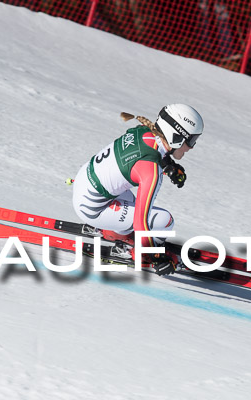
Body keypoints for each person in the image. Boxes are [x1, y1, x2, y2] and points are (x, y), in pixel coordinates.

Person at [71, 104, 204, 276]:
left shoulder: (143, 131)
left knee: (132, 203)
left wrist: (169, 165)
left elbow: (144, 152)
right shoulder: (152, 172)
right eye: (191, 140)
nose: (191, 147)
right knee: (165, 221)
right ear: (176, 137)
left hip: (84, 182)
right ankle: (138, 253)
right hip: (91, 208)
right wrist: (157, 258)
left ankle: (118, 231)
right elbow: (141, 222)